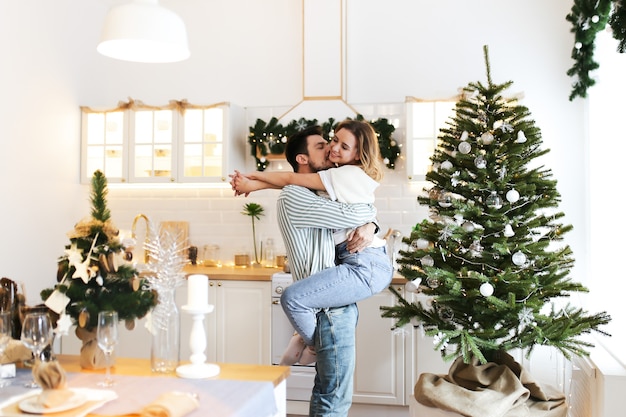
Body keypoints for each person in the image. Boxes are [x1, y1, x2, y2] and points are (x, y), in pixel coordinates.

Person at [231, 124, 380, 416]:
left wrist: (372, 227)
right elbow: (359, 211)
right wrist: (371, 221)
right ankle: (312, 345)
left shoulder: (313, 193)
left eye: (336, 144)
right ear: (303, 159)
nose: (331, 149)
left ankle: (307, 343)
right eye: (322, 146)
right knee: (333, 397)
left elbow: (352, 211)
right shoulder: (295, 197)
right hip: (327, 305)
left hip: (332, 293)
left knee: (327, 391)